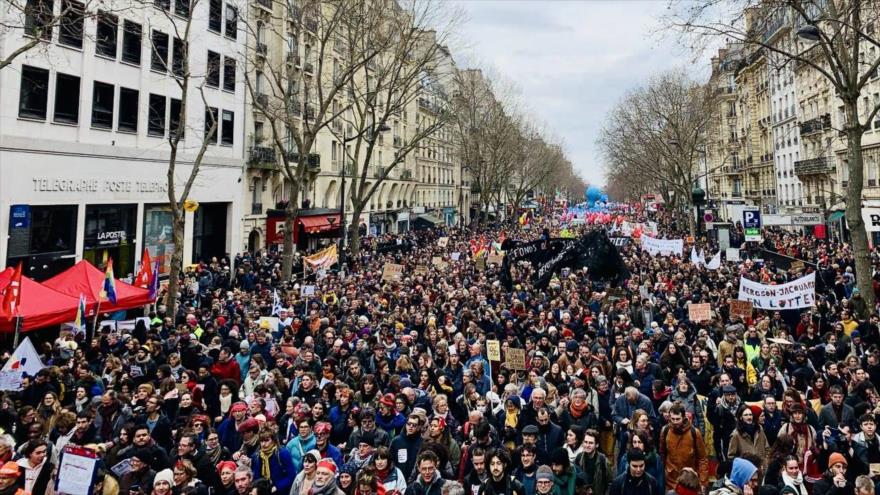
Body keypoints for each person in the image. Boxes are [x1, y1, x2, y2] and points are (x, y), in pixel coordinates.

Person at [657, 403, 708, 490]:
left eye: (678, 419)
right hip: (670, 479)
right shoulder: (665, 431)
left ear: (683, 417)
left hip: (689, 480)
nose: (675, 422)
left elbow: (702, 458)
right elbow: (662, 454)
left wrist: (703, 482)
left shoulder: (694, 433)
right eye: (673, 419)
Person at [574, 429, 612, 495]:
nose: (587, 445)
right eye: (586, 442)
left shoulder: (603, 460)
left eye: (591, 443)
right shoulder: (579, 458)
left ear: (596, 445)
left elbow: (609, 483)